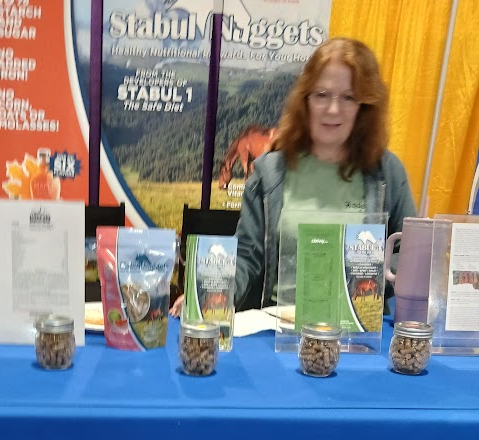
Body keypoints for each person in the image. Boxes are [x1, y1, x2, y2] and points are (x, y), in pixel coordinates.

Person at [170, 37, 415, 316]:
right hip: (280, 329)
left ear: (365, 106)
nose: (333, 109)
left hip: (357, 331)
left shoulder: (387, 173)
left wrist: (375, 277)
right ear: (305, 99)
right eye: (322, 94)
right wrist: (206, 294)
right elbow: (246, 256)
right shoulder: (269, 173)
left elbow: (410, 256)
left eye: (348, 97)